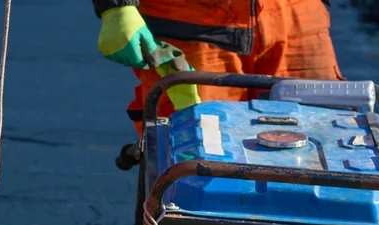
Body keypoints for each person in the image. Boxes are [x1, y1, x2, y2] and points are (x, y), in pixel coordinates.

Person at [93, 0, 343, 132]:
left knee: (320, 147)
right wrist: (116, 7)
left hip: (295, 17)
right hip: (189, 23)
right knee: (196, 160)